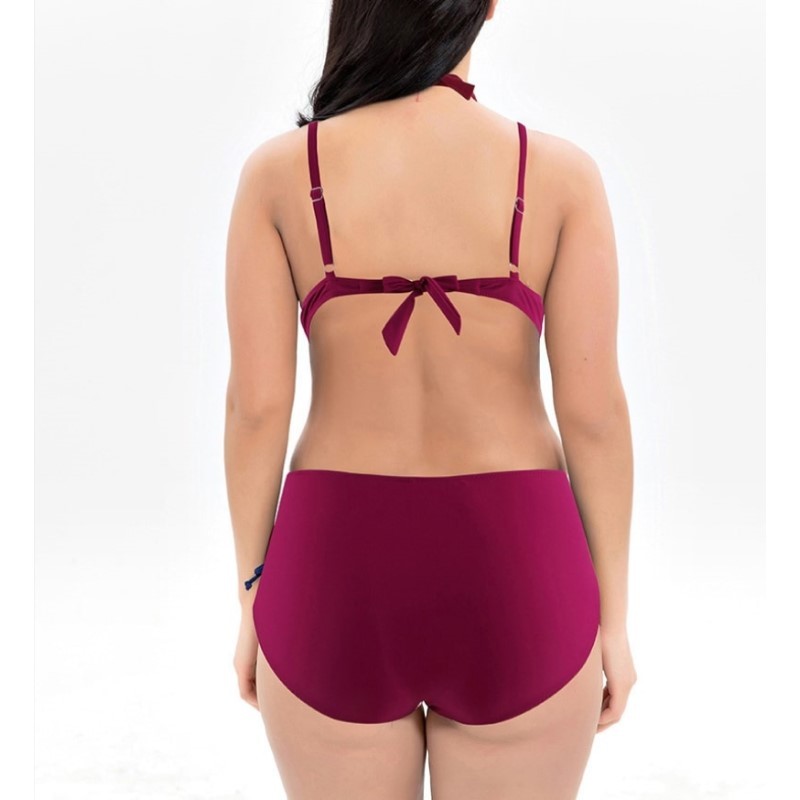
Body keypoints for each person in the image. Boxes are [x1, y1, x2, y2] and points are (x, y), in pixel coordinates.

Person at [224, 1, 636, 797]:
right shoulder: (560, 175)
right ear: (485, 5)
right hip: (518, 566)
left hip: (334, 567)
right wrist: (613, 620)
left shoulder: (278, 174)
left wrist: (252, 595)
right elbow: (594, 414)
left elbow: (256, 408)